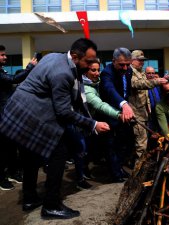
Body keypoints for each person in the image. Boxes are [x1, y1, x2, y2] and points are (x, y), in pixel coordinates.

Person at [0, 38, 110, 219]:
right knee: (59, 153)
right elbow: (64, 112)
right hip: (30, 114)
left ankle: (29, 198)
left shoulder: (53, 56)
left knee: (31, 157)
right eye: (88, 62)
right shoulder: (63, 73)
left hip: (20, 109)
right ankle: (51, 205)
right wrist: (92, 124)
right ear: (75, 57)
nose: (92, 64)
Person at [0, 45, 37, 191]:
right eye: (2, 55)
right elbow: (13, 79)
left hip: (9, 116)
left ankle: (13, 173)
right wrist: (29, 67)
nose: (5, 57)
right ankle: (2, 178)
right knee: (2, 150)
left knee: (11, 147)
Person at [83, 57, 123, 179]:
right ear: (85, 71)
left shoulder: (99, 81)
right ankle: (82, 175)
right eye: (93, 70)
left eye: (98, 70)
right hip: (84, 123)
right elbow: (99, 105)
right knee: (84, 150)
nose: (96, 73)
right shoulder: (85, 88)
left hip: (97, 120)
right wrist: (118, 114)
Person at [100, 47, 135, 182]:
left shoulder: (128, 71)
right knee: (111, 146)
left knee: (126, 143)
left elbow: (126, 90)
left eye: (128, 64)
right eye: (122, 65)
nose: (125, 68)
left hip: (124, 115)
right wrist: (123, 104)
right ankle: (115, 174)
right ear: (113, 61)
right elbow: (110, 90)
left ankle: (119, 168)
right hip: (109, 115)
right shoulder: (106, 73)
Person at [129, 50, 167, 158]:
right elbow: (137, 84)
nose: (142, 63)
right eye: (140, 60)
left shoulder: (140, 72)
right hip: (137, 115)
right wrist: (156, 81)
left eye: (143, 61)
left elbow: (145, 96)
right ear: (132, 60)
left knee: (144, 144)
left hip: (144, 114)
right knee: (141, 146)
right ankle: (138, 173)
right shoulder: (130, 72)